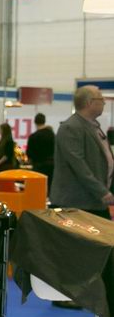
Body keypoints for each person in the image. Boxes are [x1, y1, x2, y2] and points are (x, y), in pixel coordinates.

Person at [51, 86, 114, 218]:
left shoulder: (93, 126)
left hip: (95, 202)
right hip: (77, 204)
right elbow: (78, 165)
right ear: (89, 102)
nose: (104, 103)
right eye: (101, 99)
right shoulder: (71, 127)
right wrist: (102, 192)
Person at [25, 114, 54, 188]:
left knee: (38, 188)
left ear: (35, 122)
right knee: (49, 187)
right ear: (44, 121)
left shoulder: (33, 137)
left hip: (38, 166)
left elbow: (29, 153)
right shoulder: (52, 135)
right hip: (51, 165)